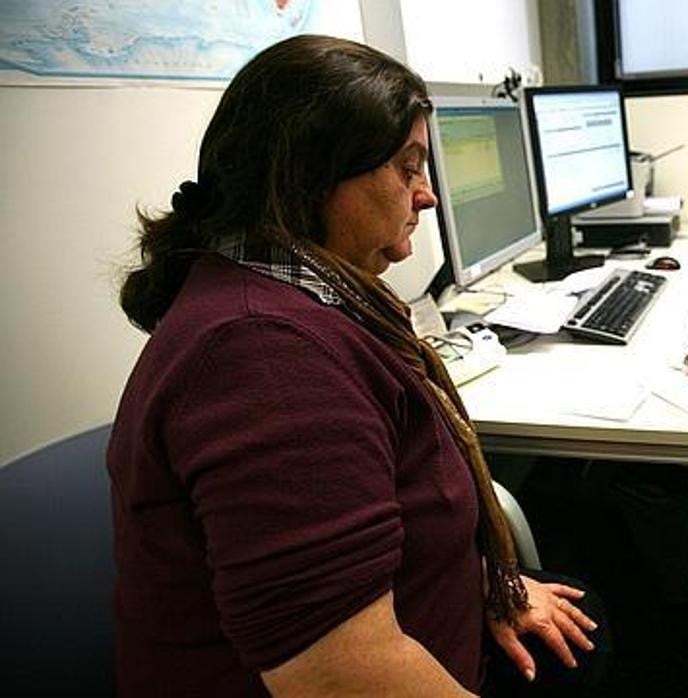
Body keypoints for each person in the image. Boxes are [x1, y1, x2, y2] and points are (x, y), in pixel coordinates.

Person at [108, 35, 603, 697]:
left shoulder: (298, 299)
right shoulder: (263, 358)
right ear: (315, 175)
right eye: (408, 166)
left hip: (443, 622)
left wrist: (488, 580)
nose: (427, 197)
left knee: (589, 623)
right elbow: (340, 678)